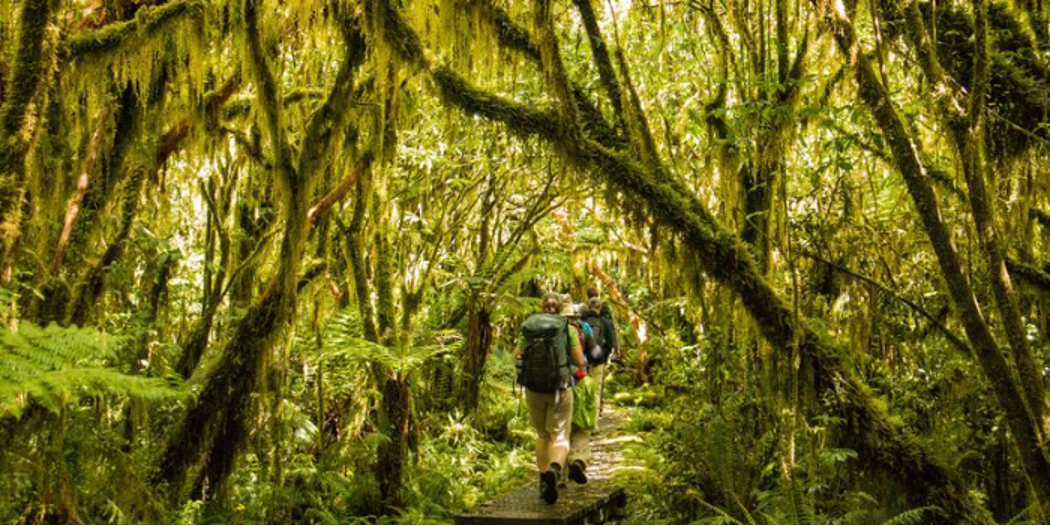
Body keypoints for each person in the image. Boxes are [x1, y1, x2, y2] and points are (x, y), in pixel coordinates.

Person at [516, 293, 588, 504]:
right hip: (559, 389)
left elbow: (517, 356)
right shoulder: (567, 328)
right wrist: (581, 362)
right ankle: (555, 471)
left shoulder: (529, 329)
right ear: (560, 308)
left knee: (542, 435)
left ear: (542, 307)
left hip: (534, 389)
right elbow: (578, 360)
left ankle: (542, 479)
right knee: (560, 436)